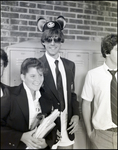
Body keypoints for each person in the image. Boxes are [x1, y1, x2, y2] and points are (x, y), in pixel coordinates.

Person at [37, 16, 80, 149]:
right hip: (47, 127)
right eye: (49, 39)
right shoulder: (37, 65)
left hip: (67, 124)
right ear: (43, 42)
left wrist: (76, 115)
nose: (52, 43)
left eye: (56, 39)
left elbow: (72, 93)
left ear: (61, 41)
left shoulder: (70, 65)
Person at [1, 58, 60, 149]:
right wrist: (20, 136)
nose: (38, 80)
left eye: (40, 75)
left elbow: (53, 127)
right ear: (23, 77)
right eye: (33, 76)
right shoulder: (10, 95)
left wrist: (47, 143)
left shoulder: (46, 98)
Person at [81, 34, 117, 149]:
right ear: (107, 52)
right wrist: (89, 133)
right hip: (101, 136)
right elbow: (86, 104)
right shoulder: (93, 75)